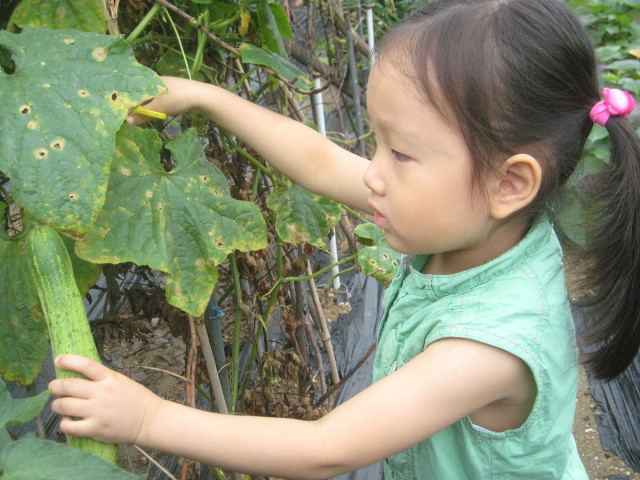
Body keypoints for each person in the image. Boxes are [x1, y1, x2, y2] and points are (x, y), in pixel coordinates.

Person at [48, 0, 640, 478]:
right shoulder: (470, 219)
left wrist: (148, 420)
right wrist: (207, 97)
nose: (373, 173)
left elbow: (327, 449)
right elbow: (320, 161)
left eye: (399, 153)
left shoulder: (492, 347)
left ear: (510, 183)